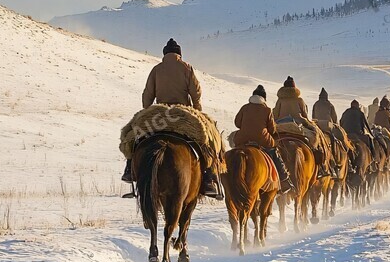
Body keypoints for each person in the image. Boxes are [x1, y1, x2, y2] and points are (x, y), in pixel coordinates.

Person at [124, 38, 222, 200]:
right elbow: (196, 93)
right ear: (179, 54)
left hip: (159, 114)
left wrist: (147, 112)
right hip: (182, 114)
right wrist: (198, 112)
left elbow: (148, 94)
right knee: (208, 138)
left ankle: (129, 170)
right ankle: (209, 178)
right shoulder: (186, 68)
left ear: (165, 54)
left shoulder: (156, 69)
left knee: (133, 135)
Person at [234, 85, 293, 192]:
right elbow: (271, 129)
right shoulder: (266, 110)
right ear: (264, 98)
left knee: (233, 153)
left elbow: (237, 123)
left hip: (242, 139)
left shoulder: (244, 107)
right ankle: (284, 179)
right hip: (262, 140)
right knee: (274, 153)